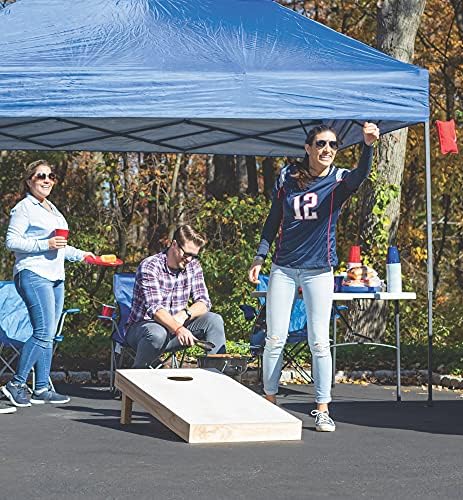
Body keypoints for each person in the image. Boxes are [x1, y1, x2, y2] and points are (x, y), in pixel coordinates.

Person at [248, 122, 380, 432]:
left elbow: (361, 176)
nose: (327, 150)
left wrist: (368, 146)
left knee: (319, 341)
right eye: (321, 144)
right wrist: (259, 257)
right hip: (284, 267)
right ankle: (269, 401)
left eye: (333, 145)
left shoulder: (339, 179)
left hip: (319, 269)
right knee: (274, 338)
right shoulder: (288, 177)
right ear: (308, 148)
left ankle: (322, 408)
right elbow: (273, 218)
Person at [2, 160, 94, 408]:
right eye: (40, 175)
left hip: (55, 277)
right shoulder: (24, 208)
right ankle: (16, 383)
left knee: (49, 335)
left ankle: (41, 387)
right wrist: (45, 245)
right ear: (29, 180)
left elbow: (61, 247)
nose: (46, 180)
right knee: (42, 332)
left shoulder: (53, 210)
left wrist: (86, 256)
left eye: (50, 176)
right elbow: (12, 242)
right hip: (33, 274)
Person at [126, 224, 226, 368]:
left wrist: (185, 314)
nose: (190, 259)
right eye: (186, 254)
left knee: (214, 320)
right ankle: (135, 381)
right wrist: (178, 329)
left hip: (177, 327)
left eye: (194, 255)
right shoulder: (150, 266)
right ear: (174, 245)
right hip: (145, 329)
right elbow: (155, 309)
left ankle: (216, 377)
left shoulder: (194, 266)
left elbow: (204, 301)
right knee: (158, 334)